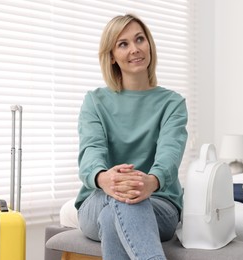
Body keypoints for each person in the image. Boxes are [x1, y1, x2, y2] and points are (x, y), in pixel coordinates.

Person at [74, 13, 188, 260]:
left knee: (123, 206)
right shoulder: (94, 101)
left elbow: (170, 155)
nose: (135, 49)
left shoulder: (172, 103)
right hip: (98, 199)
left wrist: (150, 182)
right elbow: (90, 154)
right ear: (112, 56)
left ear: (149, 44)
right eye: (123, 44)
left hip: (160, 205)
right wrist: (106, 179)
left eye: (139, 39)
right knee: (125, 200)